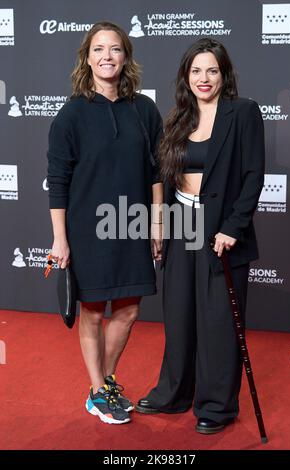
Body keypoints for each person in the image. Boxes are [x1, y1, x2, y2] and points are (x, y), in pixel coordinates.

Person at [136, 38, 265, 434]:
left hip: (221, 231)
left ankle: (216, 405)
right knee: (179, 316)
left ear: (224, 74)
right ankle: (174, 393)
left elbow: (252, 177)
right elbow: (163, 174)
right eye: (196, 71)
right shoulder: (178, 118)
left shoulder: (243, 113)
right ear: (186, 76)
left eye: (211, 70)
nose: (203, 78)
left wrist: (232, 227)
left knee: (219, 322)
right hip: (180, 227)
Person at [47, 21, 163, 425]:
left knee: (129, 310)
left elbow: (156, 172)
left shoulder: (144, 110)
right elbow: (58, 181)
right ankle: (98, 392)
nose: (107, 56)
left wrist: (158, 222)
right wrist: (60, 239)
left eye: (115, 49)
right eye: (99, 49)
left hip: (131, 224)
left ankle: (106, 380)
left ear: (125, 57)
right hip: (87, 229)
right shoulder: (71, 115)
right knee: (93, 313)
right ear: (87, 57)